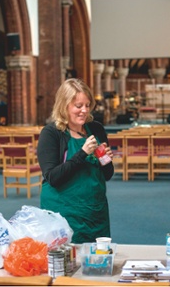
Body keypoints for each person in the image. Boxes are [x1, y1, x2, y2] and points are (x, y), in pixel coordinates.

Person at [37, 78, 114, 243]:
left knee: (98, 263)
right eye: (78, 106)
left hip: (94, 211)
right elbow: (53, 177)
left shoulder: (96, 129)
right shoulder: (51, 133)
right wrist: (83, 153)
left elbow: (107, 174)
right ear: (64, 106)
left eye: (87, 105)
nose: (84, 111)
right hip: (64, 212)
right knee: (68, 263)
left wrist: (105, 159)